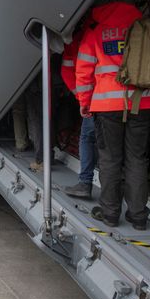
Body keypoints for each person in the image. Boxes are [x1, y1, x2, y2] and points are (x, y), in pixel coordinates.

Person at [74, 0, 150, 230]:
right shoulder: (148, 26)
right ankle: (138, 217)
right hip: (143, 104)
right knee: (137, 159)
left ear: (111, 2)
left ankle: (110, 214)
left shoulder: (97, 28)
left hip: (107, 106)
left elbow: (83, 69)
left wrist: (85, 103)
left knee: (110, 160)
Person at [60, 25, 96, 199]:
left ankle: (85, 183)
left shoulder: (87, 36)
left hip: (97, 100)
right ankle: (116, 195)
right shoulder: (135, 28)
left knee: (88, 138)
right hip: (131, 102)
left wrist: (82, 98)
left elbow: (69, 71)